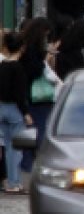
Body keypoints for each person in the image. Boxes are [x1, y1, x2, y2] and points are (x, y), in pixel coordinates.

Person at [16, 18, 56, 175]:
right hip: (36, 96)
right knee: (38, 130)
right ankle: (29, 165)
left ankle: (26, 164)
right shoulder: (33, 51)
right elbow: (35, 70)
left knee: (29, 131)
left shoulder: (25, 47)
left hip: (30, 95)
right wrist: (46, 60)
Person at [0, 31, 34, 194]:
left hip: (1, 108)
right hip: (15, 109)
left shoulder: (2, 66)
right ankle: (15, 182)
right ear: (22, 48)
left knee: (6, 147)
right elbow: (20, 95)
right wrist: (26, 113)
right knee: (17, 149)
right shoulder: (19, 68)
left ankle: (9, 182)